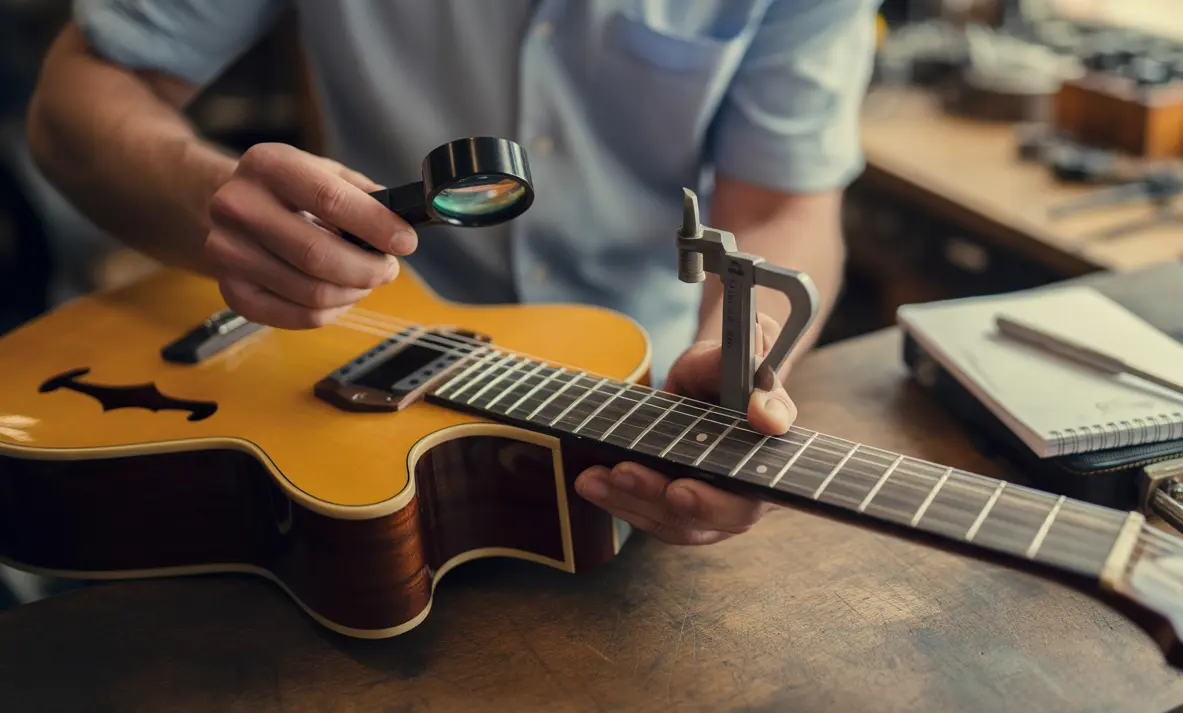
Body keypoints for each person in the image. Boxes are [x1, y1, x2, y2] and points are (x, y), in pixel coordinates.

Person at [24, 0, 877, 549]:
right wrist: (209, 194)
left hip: (637, 403)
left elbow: (778, 208)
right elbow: (76, 99)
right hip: (322, 381)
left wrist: (739, 361)